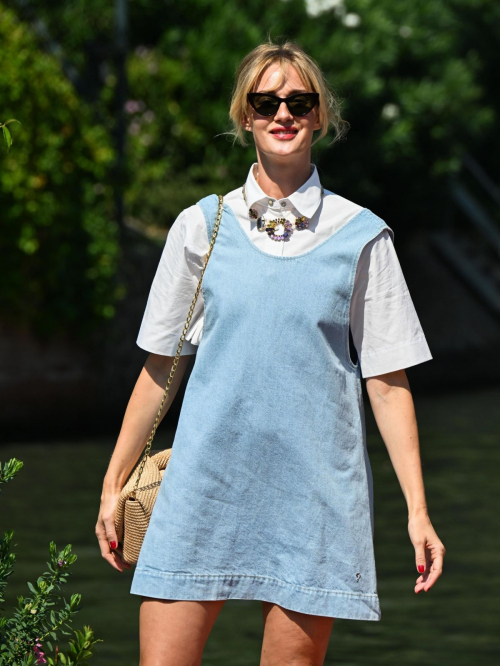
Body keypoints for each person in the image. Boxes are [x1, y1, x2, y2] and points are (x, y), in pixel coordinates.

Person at [96, 38, 446, 666]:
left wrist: (418, 512)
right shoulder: (201, 226)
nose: (282, 113)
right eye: (266, 101)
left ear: (318, 115)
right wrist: (114, 478)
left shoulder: (363, 236)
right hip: (200, 489)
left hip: (313, 500)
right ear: (245, 116)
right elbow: (159, 369)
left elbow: (387, 382)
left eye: (298, 101)